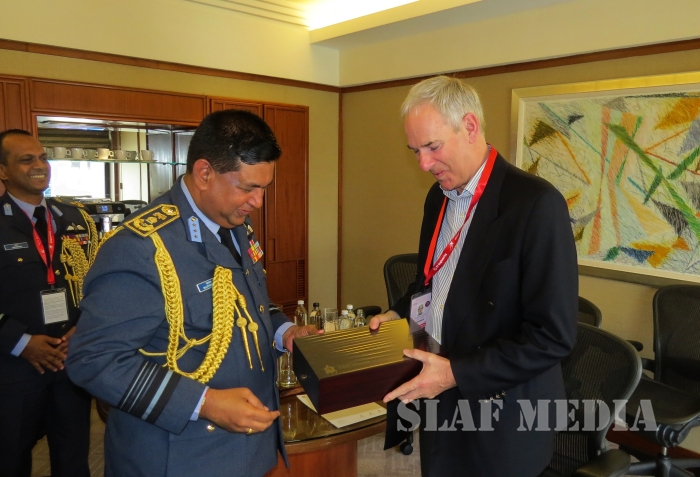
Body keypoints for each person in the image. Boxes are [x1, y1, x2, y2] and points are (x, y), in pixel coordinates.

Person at [66, 110, 320, 477]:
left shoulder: (233, 223)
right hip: (179, 457)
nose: (258, 202)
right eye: (248, 188)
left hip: (248, 450)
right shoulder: (140, 247)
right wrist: (205, 403)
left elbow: (248, 305)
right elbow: (93, 360)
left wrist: (285, 332)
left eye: (264, 188)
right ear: (204, 173)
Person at [370, 76, 578, 477]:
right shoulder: (438, 197)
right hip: (440, 395)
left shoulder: (536, 204)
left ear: (469, 126)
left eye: (432, 147)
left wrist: (456, 374)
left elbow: (553, 336)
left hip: (503, 413)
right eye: (415, 151)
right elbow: (434, 282)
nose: (423, 164)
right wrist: (399, 313)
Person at [0, 129, 93, 477]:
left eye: (42, 157)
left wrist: (82, 327)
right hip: (14, 366)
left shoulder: (74, 217)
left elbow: (95, 281)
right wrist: (21, 342)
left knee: (73, 458)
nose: (39, 166)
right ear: (3, 171)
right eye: (26, 160)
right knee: (11, 458)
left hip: (69, 359)